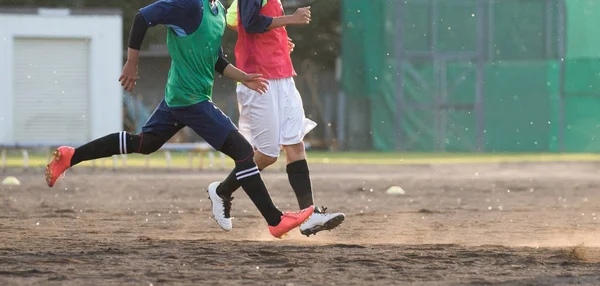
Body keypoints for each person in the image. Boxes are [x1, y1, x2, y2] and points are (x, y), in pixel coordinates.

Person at [45, 0, 314, 239]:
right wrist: (131, 62)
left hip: (178, 97)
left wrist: (244, 77)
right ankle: (275, 220)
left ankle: (71, 156)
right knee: (244, 151)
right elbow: (142, 17)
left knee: (145, 143)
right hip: (190, 101)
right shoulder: (187, 5)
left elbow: (216, 59)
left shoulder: (217, 10)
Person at [206, 0, 345, 237]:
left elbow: (236, 22)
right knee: (267, 155)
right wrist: (290, 19)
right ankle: (221, 191)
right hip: (259, 79)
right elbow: (248, 24)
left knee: (295, 143)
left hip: (283, 75)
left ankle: (310, 215)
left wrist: (277, 38)